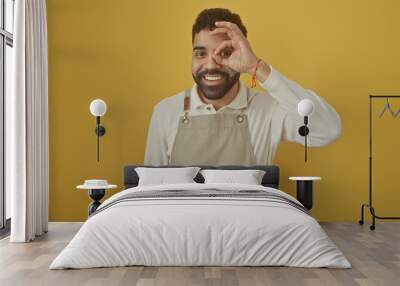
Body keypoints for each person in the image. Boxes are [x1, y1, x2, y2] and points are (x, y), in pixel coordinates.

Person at [144, 8, 341, 166]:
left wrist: (257, 67)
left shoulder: (269, 110)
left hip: (249, 217)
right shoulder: (166, 111)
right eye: (200, 54)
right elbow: (150, 191)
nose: (211, 65)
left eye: (225, 53)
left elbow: (327, 130)